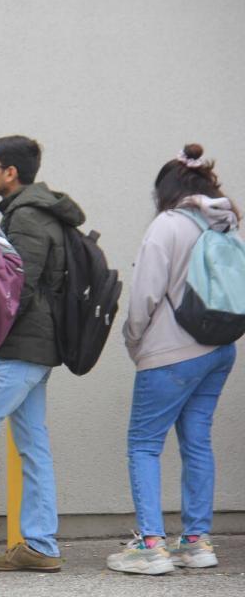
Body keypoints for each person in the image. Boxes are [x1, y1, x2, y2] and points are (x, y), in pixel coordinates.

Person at [106, 144, 239, 575]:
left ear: (167, 189)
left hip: (170, 352)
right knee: (196, 439)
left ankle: (150, 545)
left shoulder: (167, 225)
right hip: (220, 349)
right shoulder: (225, 226)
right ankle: (197, 542)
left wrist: (133, 340)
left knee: (144, 444)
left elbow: (145, 293)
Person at [0, 136, 84, 573]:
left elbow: (14, 289)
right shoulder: (31, 212)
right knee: (32, 443)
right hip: (33, 347)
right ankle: (40, 545)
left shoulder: (28, 217)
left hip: (23, 347)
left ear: (10, 173)